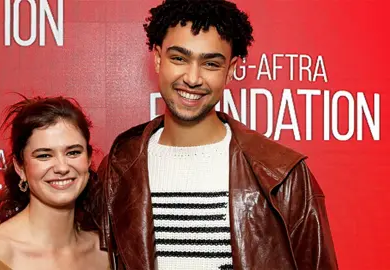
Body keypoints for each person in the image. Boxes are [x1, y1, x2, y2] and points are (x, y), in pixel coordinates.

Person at [96, 0, 338, 269]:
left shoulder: (282, 174)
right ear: (157, 58)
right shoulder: (119, 167)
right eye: (179, 58)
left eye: (210, 64)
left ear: (231, 70)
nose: (193, 77)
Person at [0, 96, 109, 270]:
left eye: (73, 152)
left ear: (88, 159)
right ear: (20, 167)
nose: (62, 167)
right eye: (44, 155)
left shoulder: (107, 253)